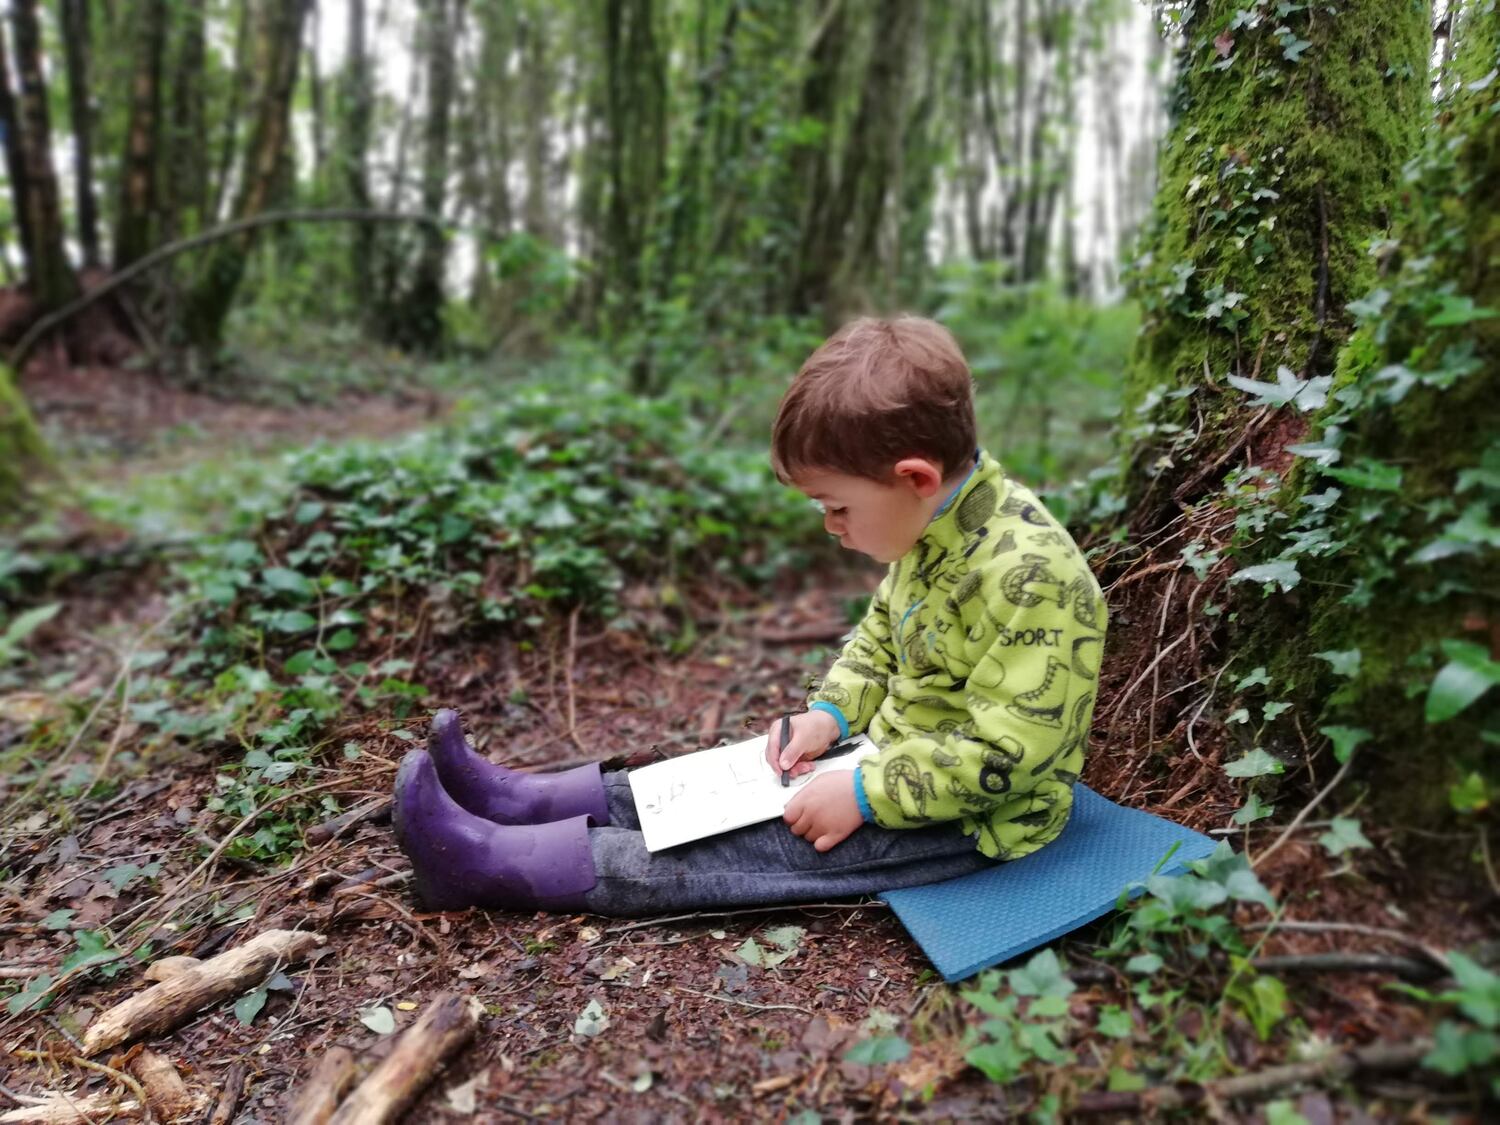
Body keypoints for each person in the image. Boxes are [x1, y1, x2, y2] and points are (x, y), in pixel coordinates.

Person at [392, 316, 1106, 915]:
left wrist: (864, 791)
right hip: (887, 760)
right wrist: (832, 713)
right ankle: (521, 799)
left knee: (728, 850)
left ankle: (485, 863)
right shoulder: (934, 527)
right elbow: (882, 640)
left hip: (971, 821)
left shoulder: (1032, 576)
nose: (832, 526)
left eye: (837, 506)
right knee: (709, 787)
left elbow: (1007, 754)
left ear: (914, 478)